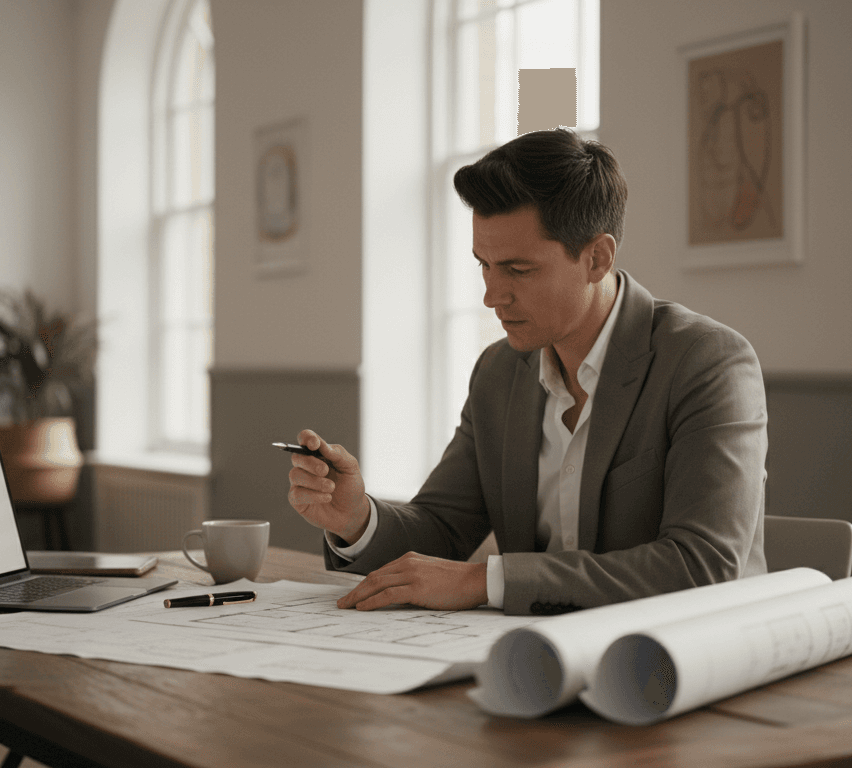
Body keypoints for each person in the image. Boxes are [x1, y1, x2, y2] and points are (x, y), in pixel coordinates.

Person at [286, 128, 767, 616]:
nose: (491, 296)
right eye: (484, 265)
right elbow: (443, 528)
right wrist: (357, 518)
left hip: (685, 649)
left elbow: (701, 565)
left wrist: (487, 580)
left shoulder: (708, 363)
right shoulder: (498, 372)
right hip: (532, 649)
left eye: (518, 270)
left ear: (597, 259)